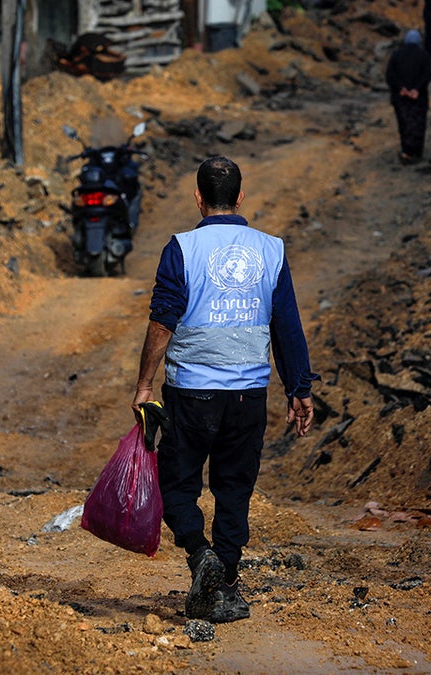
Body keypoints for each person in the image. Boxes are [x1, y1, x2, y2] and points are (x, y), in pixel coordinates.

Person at [133, 156, 318, 624]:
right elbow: (288, 326)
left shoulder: (181, 247)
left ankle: (201, 555)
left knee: (177, 484)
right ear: (240, 197)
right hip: (247, 395)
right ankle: (225, 586)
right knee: (234, 490)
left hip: (190, 392)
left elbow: (162, 321)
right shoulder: (271, 250)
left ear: (197, 198)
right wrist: (299, 387)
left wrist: (144, 384)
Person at [385, 29, 431, 164]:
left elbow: (390, 75)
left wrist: (401, 89)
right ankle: (417, 152)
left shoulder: (396, 55)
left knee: (404, 123)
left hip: (401, 97)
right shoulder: (424, 55)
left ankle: (406, 151)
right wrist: (416, 89)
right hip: (418, 97)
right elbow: (428, 74)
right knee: (418, 123)